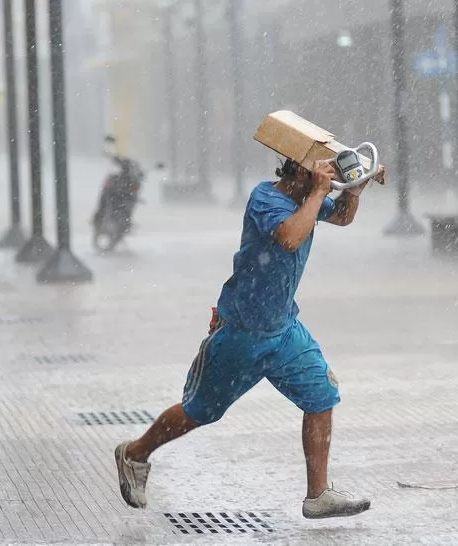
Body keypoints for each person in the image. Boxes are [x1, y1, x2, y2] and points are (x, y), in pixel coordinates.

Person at [114, 157, 380, 519]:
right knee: (199, 412)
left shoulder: (308, 199)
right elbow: (288, 237)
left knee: (321, 396)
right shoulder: (265, 199)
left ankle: (317, 494)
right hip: (241, 333)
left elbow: (342, 217)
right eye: (319, 175)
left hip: (284, 330)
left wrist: (354, 191)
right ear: (300, 172)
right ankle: (135, 453)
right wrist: (318, 193)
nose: (325, 181)